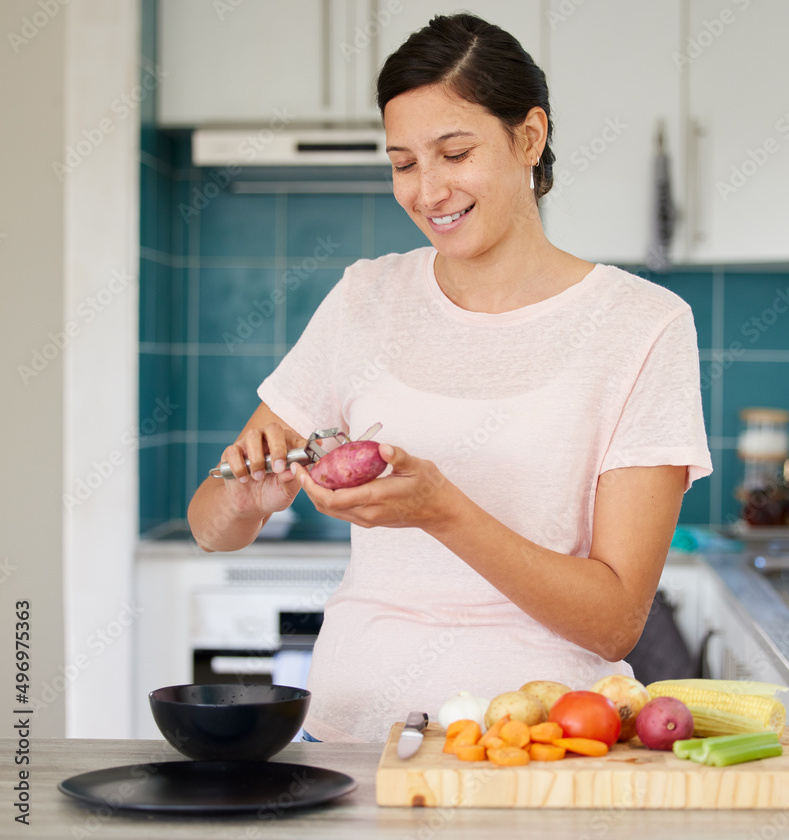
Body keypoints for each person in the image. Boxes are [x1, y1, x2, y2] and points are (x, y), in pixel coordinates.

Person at [187, 13, 712, 744]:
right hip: (349, 743)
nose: (428, 191)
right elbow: (209, 527)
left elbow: (615, 618)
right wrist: (243, 497)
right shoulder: (365, 298)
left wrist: (442, 510)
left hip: (540, 747)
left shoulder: (642, 325)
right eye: (403, 163)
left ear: (529, 136)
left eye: (454, 152)